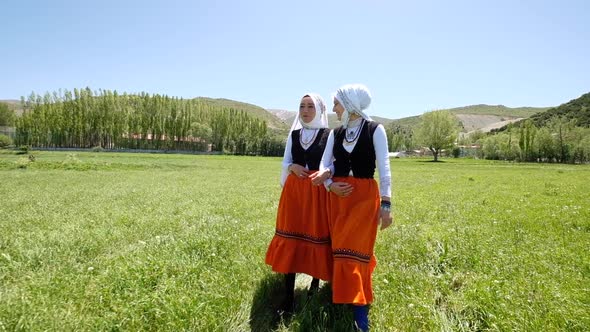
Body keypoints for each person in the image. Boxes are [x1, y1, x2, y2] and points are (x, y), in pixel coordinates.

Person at [311, 84, 393, 331]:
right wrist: (328, 184)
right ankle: (343, 295)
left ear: (349, 106)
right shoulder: (336, 134)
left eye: (336, 103)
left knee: (359, 252)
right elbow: (326, 164)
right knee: (340, 250)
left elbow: (385, 169)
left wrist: (386, 204)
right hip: (338, 199)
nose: (334, 109)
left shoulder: (375, 130)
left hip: (365, 200)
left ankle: (360, 311)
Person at [265, 93, 332, 314]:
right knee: (291, 237)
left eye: (310, 106)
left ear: (320, 110)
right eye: (302, 106)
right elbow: (286, 161)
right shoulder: (294, 135)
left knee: (315, 235)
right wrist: (292, 167)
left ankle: (314, 285)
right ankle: (287, 296)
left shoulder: (328, 134)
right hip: (294, 194)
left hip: (316, 192)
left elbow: (332, 163)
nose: (305, 110)